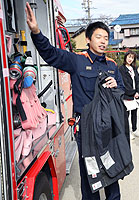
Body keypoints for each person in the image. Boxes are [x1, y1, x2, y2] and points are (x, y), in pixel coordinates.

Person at [25, 3, 124, 200]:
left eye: (106, 38)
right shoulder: (77, 61)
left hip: (108, 129)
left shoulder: (113, 65)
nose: (103, 41)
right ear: (88, 39)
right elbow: (51, 54)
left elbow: (123, 92)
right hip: (86, 129)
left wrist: (117, 87)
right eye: (99, 37)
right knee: (91, 175)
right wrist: (36, 31)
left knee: (112, 171)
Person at [119, 50, 139, 139]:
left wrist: (138, 91)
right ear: (125, 57)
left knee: (134, 113)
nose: (130, 59)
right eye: (129, 57)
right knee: (126, 114)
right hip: (127, 95)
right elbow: (124, 83)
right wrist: (133, 92)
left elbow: (138, 81)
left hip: (135, 95)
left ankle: (135, 129)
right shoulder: (121, 69)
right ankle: (127, 132)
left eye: (132, 58)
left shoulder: (134, 68)